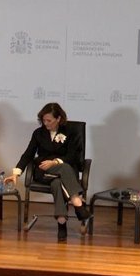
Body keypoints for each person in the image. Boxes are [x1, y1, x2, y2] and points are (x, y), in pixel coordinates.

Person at [5, 102, 91, 242]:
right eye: (44, 120)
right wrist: (16, 173)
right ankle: (77, 202)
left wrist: (55, 162)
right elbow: (28, 154)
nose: (46, 123)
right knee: (61, 173)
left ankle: (61, 222)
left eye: (49, 120)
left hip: (65, 169)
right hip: (44, 172)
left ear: (58, 119)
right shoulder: (38, 133)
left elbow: (72, 156)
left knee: (57, 182)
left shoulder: (70, 132)